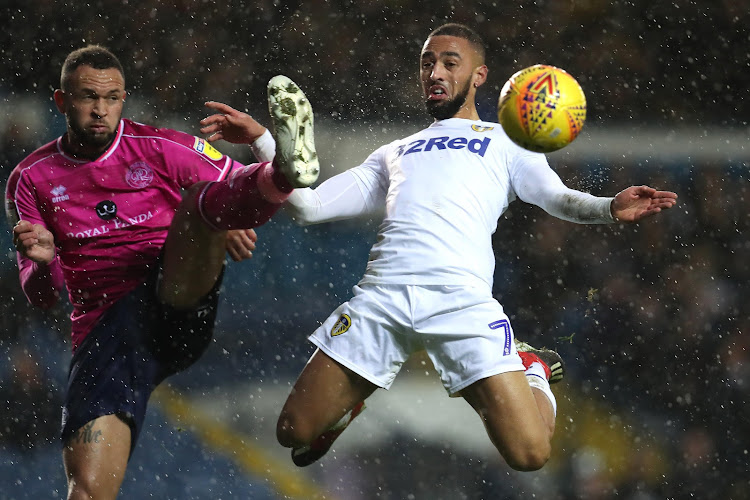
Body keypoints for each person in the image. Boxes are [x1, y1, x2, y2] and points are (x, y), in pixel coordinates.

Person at [204, 23, 677, 471]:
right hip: (382, 300)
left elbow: (555, 198)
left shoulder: (507, 142)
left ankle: (531, 368)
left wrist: (608, 206)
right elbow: (308, 206)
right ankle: (342, 409)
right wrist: (264, 141)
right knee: (292, 432)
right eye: (427, 63)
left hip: (461, 304)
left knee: (530, 454)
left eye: (450, 63)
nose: (435, 73)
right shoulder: (394, 151)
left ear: (479, 75)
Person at [4, 45, 319, 499]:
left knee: (202, 200)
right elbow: (42, 297)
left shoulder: (161, 148)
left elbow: (234, 190)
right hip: (105, 337)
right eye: (88, 97)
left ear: (124, 99)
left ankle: (285, 171)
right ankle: (258, 186)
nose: (100, 110)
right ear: (61, 101)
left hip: (170, 302)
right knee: (87, 490)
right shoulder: (30, 179)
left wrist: (220, 220)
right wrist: (46, 262)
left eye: (111, 98)